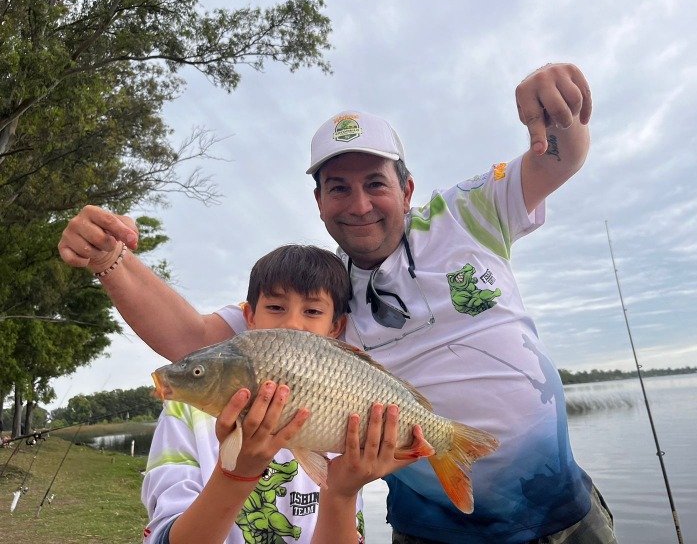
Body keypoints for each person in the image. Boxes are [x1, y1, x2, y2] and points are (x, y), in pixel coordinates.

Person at [59, 63, 616, 543]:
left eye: (375, 182)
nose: (359, 204)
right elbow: (193, 340)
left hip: (565, 514)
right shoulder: (324, 299)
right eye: (337, 188)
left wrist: (559, 113)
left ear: (407, 189)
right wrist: (111, 260)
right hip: (430, 532)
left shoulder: (469, 213)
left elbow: (557, 163)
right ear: (320, 204)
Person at [141, 244, 425, 544]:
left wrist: (341, 494)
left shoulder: (344, 411)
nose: (292, 324)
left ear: (335, 328)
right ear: (249, 317)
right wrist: (236, 475)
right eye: (276, 307)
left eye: (313, 311)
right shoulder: (185, 413)